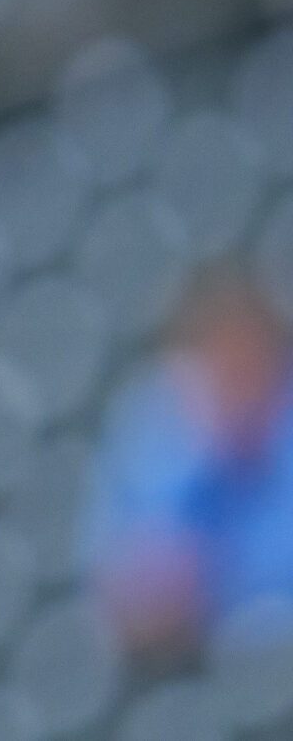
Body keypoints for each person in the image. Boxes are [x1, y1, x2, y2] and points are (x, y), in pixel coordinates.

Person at [87, 262, 293, 669]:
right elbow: (113, 585)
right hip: (183, 670)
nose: (235, 373)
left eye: (249, 353)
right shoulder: (156, 419)